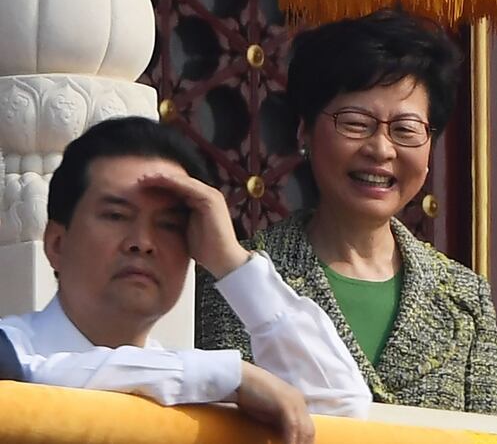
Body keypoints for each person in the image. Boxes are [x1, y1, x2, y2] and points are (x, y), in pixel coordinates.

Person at [197, 9, 497, 415]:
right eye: (356, 123)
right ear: (305, 131)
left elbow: (492, 436)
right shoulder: (237, 278)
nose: (381, 149)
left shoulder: (466, 297)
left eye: (405, 129)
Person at [0, 117, 373, 444]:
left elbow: (340, 407)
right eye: (116, 216)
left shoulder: (201, 388)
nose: (142, 242)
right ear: (57, 243)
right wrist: (226, 376)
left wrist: (231, 261)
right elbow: (31, 375)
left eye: (169, 225)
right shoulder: (14, 353)